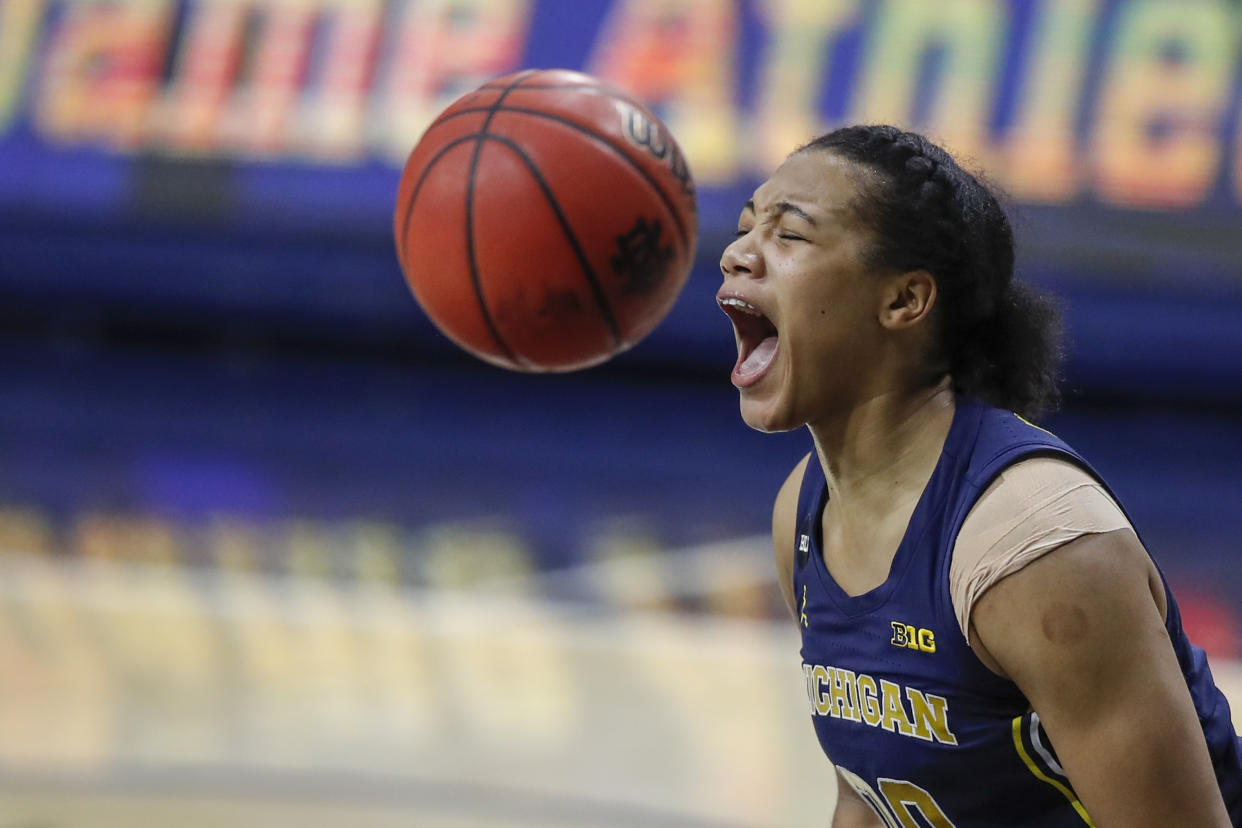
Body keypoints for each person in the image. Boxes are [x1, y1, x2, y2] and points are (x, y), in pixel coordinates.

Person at [717, 124, 1242, 827]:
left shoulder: (1033, 545)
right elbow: (865, 799)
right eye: (747, 226)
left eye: (791, 236)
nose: (736, 253)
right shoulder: (804, 511)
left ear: (904, 301)